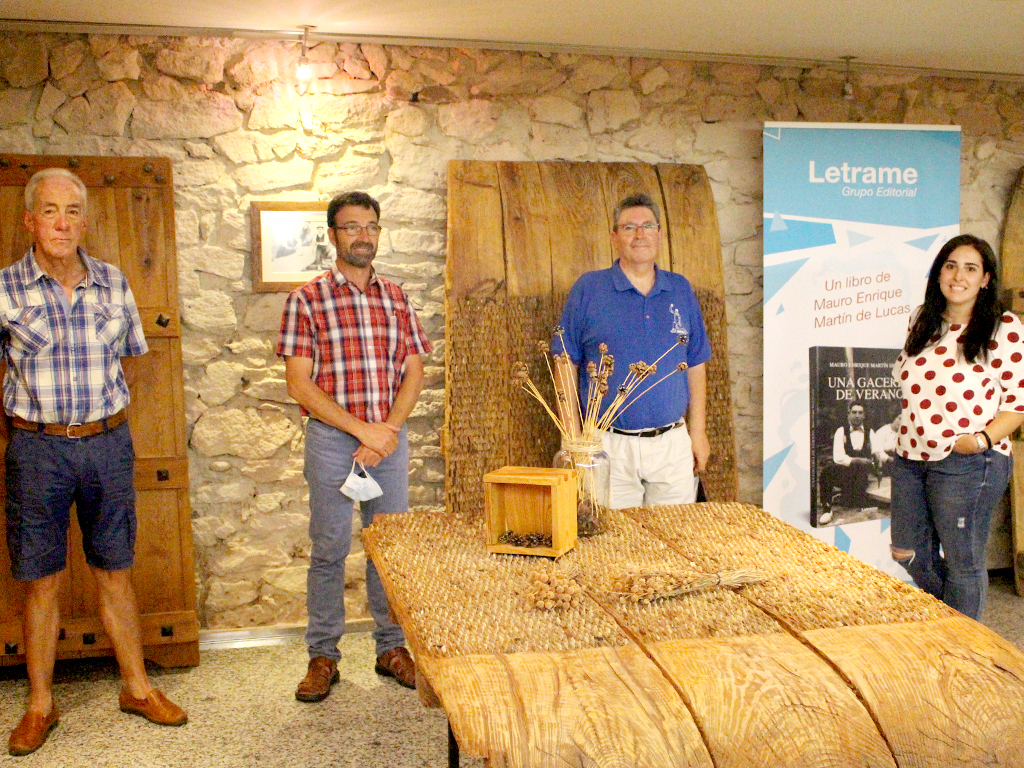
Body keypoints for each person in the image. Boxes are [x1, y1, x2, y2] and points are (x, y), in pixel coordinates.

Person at [2, 169, 187, 756]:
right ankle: (40, 705)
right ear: (30, 220)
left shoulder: (113, 282)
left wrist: (97, 415)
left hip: (108, 444)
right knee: (40, 578)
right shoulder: (5, 288)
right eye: (50, 211)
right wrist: (37, 423)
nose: (63, 222)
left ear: (86, 219)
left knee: (115, 568)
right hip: (36, 449)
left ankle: (136, 686)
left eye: (73, 211)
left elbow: (132, 361)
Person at [277, 191, 431, 700]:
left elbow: (413, 372)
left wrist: (384, 431)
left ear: (379, 234)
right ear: (333, 235)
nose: (362, 235)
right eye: (351, 227)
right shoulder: (307, 300)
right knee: (328, 550)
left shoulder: (398, 298)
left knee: (388, 550)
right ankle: (323, 657)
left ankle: (391, 649)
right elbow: (300, 385)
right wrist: (362, 432)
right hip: (332, 444)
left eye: (371, 226)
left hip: (386, 443)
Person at [890, 234, 1024, 620]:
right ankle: (955, 622)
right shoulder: (922, 320)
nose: (958, 275)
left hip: (969, 461)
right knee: (907, 551)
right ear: (939, 273)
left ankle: (966, 653)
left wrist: (980, 440)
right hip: (911, 457)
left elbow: (1017, 402)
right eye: (951, 265)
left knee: (963, 559)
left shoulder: (1005, 328)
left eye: (970, 268)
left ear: (985, 279)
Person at [555, 193, 711, 507]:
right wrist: (572, 437)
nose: (639, 235)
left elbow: (695, 363)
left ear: (659, 235)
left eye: (647, 226)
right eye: (628, 228)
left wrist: (699, 432)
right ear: (614, 237)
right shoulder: (589, 289)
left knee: (678, 537)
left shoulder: (680, 288)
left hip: (672, 446)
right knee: (613, 541)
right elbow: (563, 360)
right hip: (607, 444)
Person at [817, 400, 874, 524]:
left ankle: (851, 498)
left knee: (853, 501)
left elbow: (876, 453)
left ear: (864, 415)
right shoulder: (841, 431)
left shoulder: (870, 432)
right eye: (854, 412)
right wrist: (858, 460)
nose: (857, 416)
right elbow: (838, 457)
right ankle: (827, 509)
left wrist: (876, 460)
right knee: (827, 472)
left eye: (860, 413)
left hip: (861, 474)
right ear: (848, 414)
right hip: (845, 472)